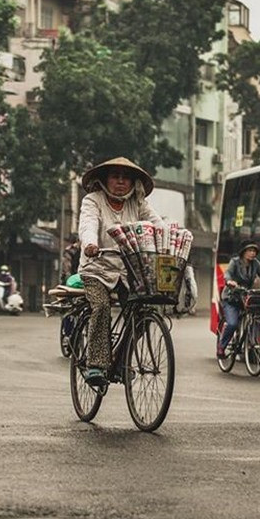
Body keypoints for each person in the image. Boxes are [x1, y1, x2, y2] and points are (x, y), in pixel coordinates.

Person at [78, 156, 165, 387]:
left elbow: (158, 224)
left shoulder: (138, 204)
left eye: (125, 177)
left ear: (132, 182)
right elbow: (88, 224)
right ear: (105, 179)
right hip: (96, 268)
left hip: (127, 272)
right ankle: (96, 364)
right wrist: (90, 243)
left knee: (142, 314)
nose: (120, 181)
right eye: (115, 176)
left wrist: (172, 241)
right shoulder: (93, 200)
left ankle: (121, 361)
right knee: (101, 306)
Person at [218, 240, 260, 358]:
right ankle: (221, 346)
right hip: (231, 298)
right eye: (250, 250)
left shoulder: (255, 264)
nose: (252, 253)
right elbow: (227, 274)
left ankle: (249, 341)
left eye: (254, 251)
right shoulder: (234, 262)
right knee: (232, 324)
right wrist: (230, 281)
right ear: (243, 252)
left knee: (255, 317)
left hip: (245, 297)